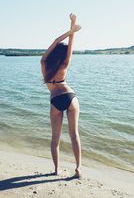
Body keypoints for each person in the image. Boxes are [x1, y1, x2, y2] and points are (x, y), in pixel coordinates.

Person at [40, 13, 82, 178]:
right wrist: (73, 25)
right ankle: (78, 168)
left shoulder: (44, 64)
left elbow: (56, 42)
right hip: (71, 96)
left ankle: (56, 170)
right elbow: (70, 45)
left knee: (55, 138)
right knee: (74, 135)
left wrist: (69, 30)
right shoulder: (65, 63)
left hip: (56, 100)